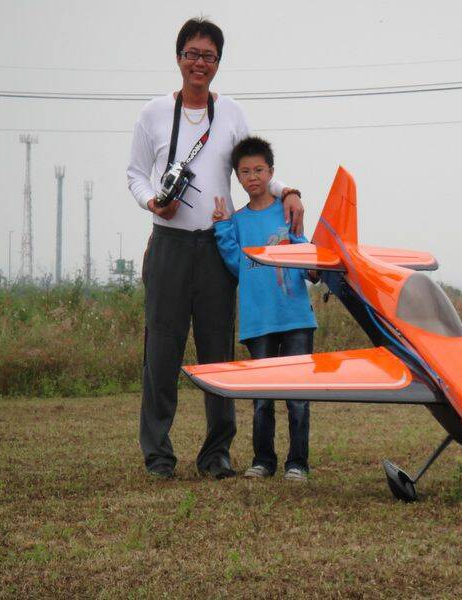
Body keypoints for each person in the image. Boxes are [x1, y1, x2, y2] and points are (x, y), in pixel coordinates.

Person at [126, 17, 305, 480]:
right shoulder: (151, 114)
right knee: (161, 350)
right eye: (192, 54)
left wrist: (288, 191)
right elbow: (135, 174)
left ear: (218, 63)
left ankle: (216, 453)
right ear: (178, 58)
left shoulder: (231, 114)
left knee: (216, 350)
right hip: (168, 244)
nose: (199, 63)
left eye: (208, 56)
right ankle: (158, 455)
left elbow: (253, 167)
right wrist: (152, 201)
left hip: (215, 247)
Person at [212, 136, 317, 482]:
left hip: (296, 318)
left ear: (272, 172)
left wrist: (317, 268)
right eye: (245, 171)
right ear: (238, 178)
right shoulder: (238, 221)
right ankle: (263, 460)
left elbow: (304, 252)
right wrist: (222, 229)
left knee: (298, 395)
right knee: (262, 397)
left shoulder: (287, 211)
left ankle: (297, 463)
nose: (253, 176)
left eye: (259, 169)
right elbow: (235, 266)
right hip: (259, 322)